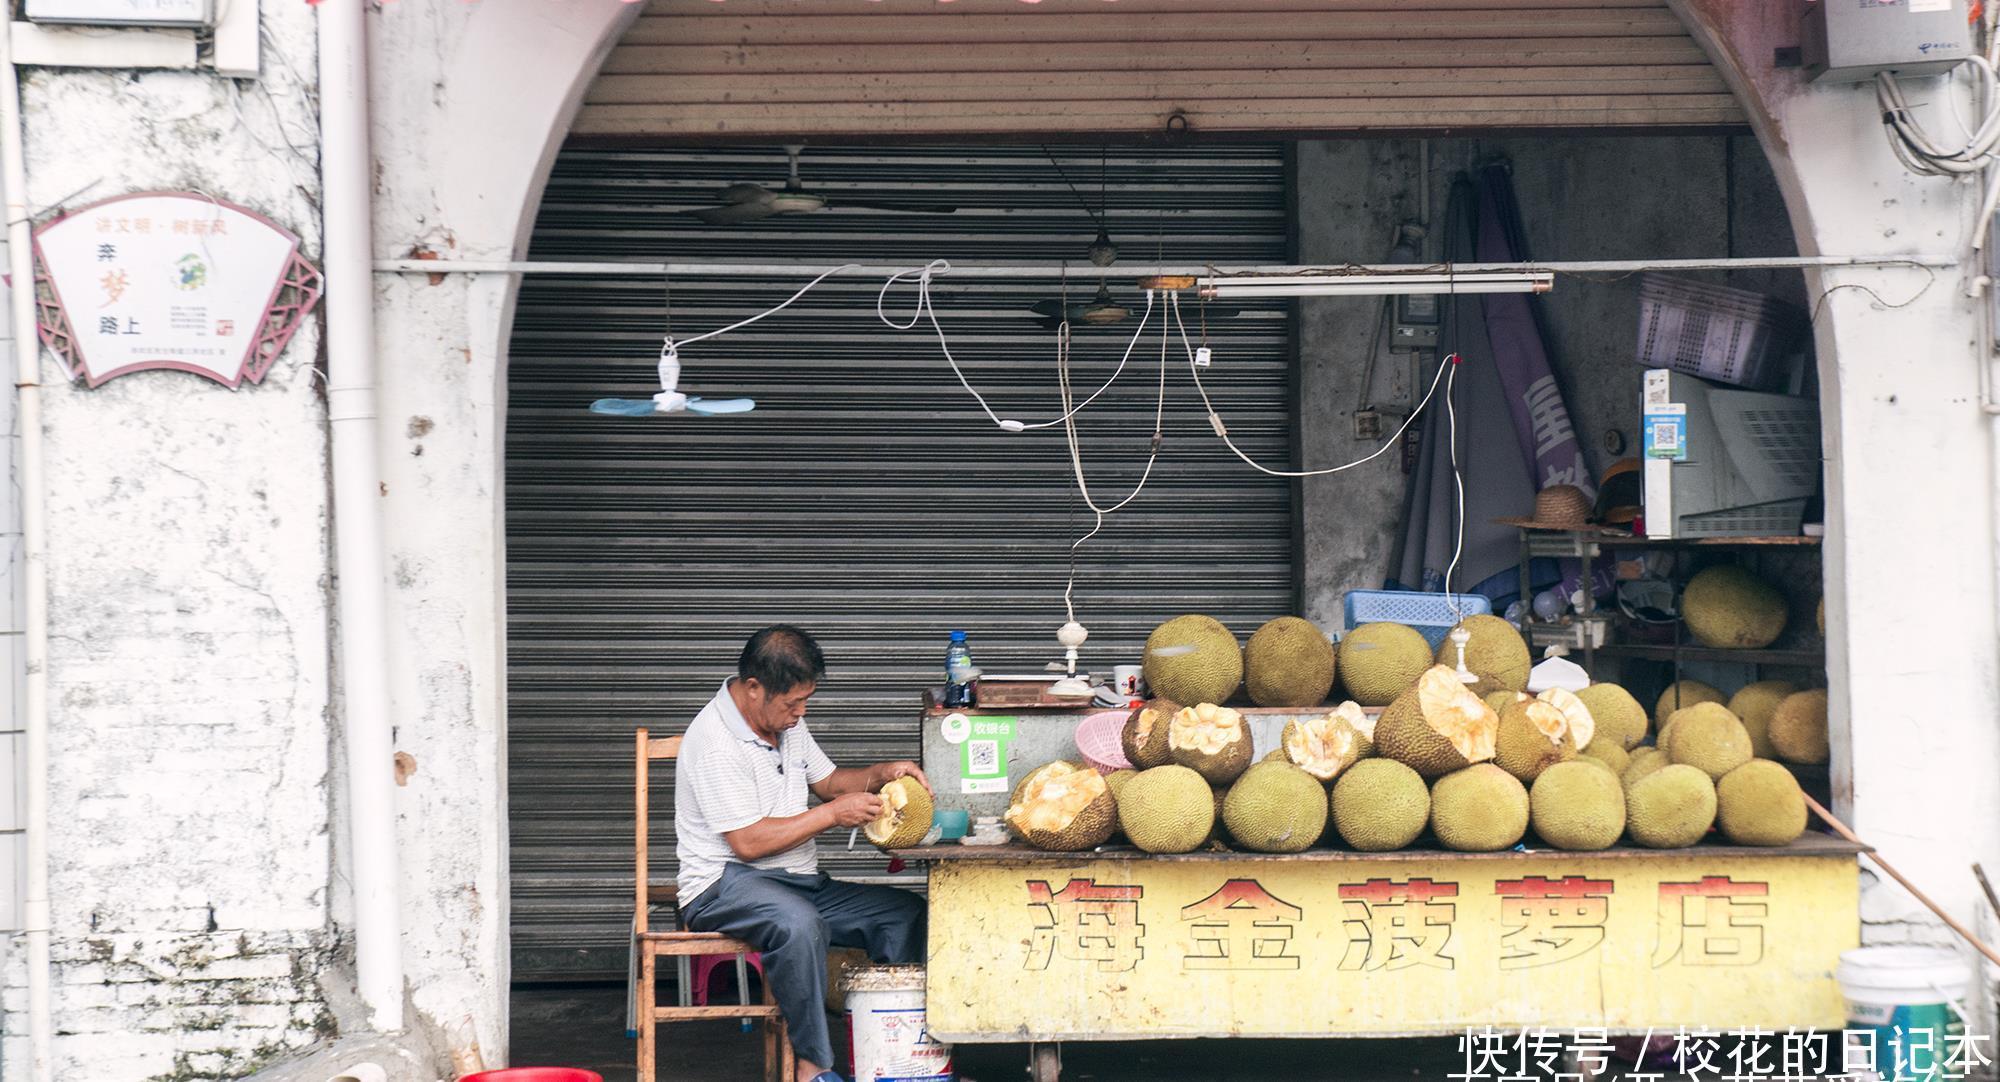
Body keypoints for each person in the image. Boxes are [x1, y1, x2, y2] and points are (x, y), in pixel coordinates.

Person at [674, 624, 930, 1082]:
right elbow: (748, 844)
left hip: (798, 882)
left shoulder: (786, 723)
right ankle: (811, 1068)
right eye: (793, 703)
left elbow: (829, 783)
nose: (801, 712)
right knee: (799, 924)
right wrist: (834, 814)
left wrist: (883, 773)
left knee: (903, 913)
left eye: (805, 700)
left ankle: (892, 1053)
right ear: (754, 689)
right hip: (722, 886)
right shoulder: (714, 742)